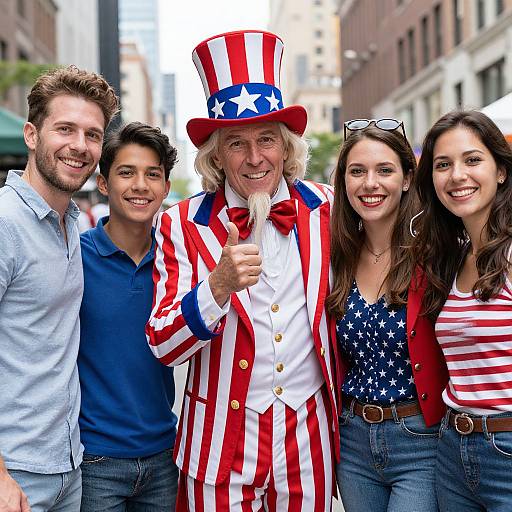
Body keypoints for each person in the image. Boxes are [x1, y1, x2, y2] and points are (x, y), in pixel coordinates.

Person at [146, 30, 339, 511]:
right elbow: (164, 346)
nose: (255, 158)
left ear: (287, 146)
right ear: (215, 155)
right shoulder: (180, 222)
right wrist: (217, 286)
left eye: (267, 140)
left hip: (307, 444)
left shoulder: (328, 210)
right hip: (218, 450)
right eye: (237, 143)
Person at [0, 66, 118, 512]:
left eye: (92, 134)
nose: (80, 146)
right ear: (31, 135)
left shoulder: (72, 222)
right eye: (65, 129)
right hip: (15, 476)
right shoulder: (5, 223)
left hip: (70, 466)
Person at [327, 119, 448, 512]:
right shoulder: (333, 258)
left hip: (420, 440)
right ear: (343, 182)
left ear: (408, 179)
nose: (369, 183)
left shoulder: (437, 254)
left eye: (384, 170)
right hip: (353, 440)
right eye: (357, 171)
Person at [413, 110, 512, 512]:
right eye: (443, 165)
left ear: (501, 171)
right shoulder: (451, 259)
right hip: (453, 451)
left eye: (472, 160)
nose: (457, 175)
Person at [78, 122, 179, 511]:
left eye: (152, 174)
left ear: (166, 188)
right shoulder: (75, 256)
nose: (141, 185)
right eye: (127, 172)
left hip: (164, 456)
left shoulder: (178, 261)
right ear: (103, 183)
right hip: (95, 460)